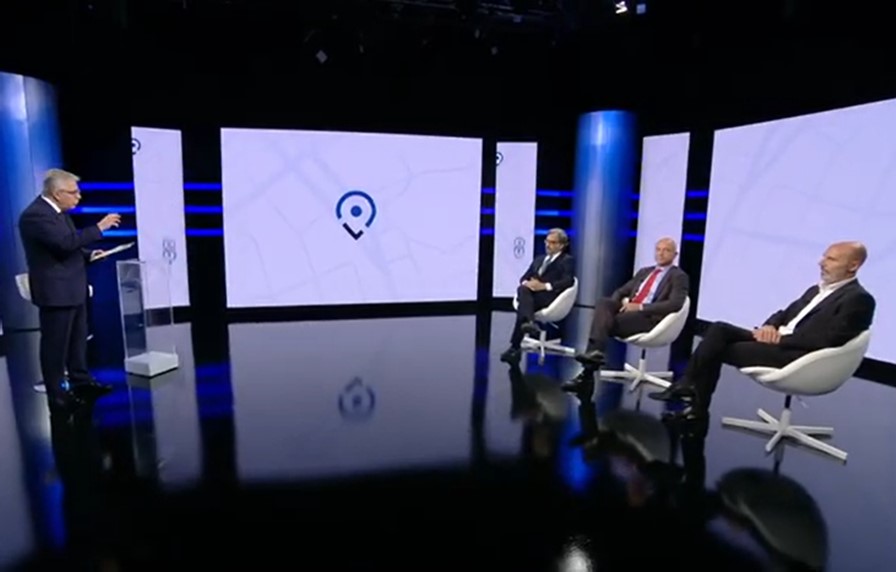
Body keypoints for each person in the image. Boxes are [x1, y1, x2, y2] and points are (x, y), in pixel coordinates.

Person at [650, 241, 875, 422]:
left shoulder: (859, 299)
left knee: (717, 348)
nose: (821, 262)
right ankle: (688, 386)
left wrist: (780, 339)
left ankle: (694, 403)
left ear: (853, 265)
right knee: (718, 329)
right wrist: (769, 327)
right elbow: (783, 314)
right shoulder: (816, 290)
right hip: (777, 339)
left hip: (797, 355)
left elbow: (829, 339)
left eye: (831, 259)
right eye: (824, 257)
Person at [18, 169, 121, 412]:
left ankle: (81, 381)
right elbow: (64, 244)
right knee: (55, 345)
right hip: (56, 292)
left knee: (77, 341)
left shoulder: (60, 213)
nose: (79, 197)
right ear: (57, 193)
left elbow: (69, 246)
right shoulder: (35, 216)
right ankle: (57, 394)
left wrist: (89, 255)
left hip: (74, 288)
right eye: (73, 192)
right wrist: (99, 228)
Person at [562, 237, 689, 393]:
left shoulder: (678, 276)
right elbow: (621, 291)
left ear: (675, 255)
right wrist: (616, 306)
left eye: (666, 250)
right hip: (629, 311)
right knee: (604, 303)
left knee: (605, 323)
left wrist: (640, 307)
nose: (661, 253)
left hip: (649, 318)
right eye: (658, 249)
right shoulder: (645, 271)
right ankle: (594, 355)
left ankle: (588, 371)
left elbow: (675, 304)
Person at [500, 228, 575, 363]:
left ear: (561, 245)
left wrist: (544, 286)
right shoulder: (539, 259)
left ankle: (515, 345)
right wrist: (528, 284)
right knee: (523, 290)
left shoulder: (567, 260)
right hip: (532, 295)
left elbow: (568, 281)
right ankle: (528, 323)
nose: (548, 245)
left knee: (524, 302)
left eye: (552, 242)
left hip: (550, 297)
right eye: (547, 241)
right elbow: (524, 277)